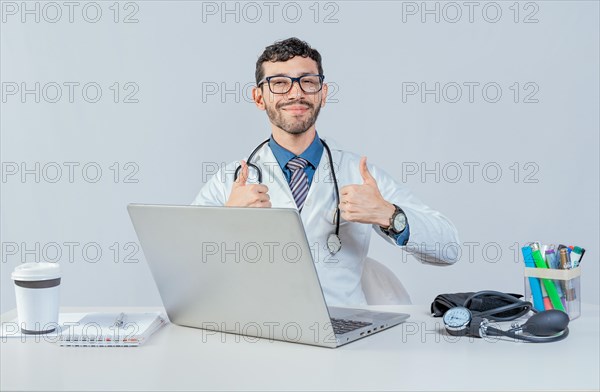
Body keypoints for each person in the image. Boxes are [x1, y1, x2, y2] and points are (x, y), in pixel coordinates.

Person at [193, 37, 459, 306]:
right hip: (260, 331)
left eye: (308, 81)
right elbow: (184, 268)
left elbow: (449, 248)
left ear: (323, 93)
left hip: (344, 330)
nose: (296, 93)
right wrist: (225, 222)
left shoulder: (359, 174)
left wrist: (389, 215)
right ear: (259, 97)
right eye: (280, 83)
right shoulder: (231, 180)